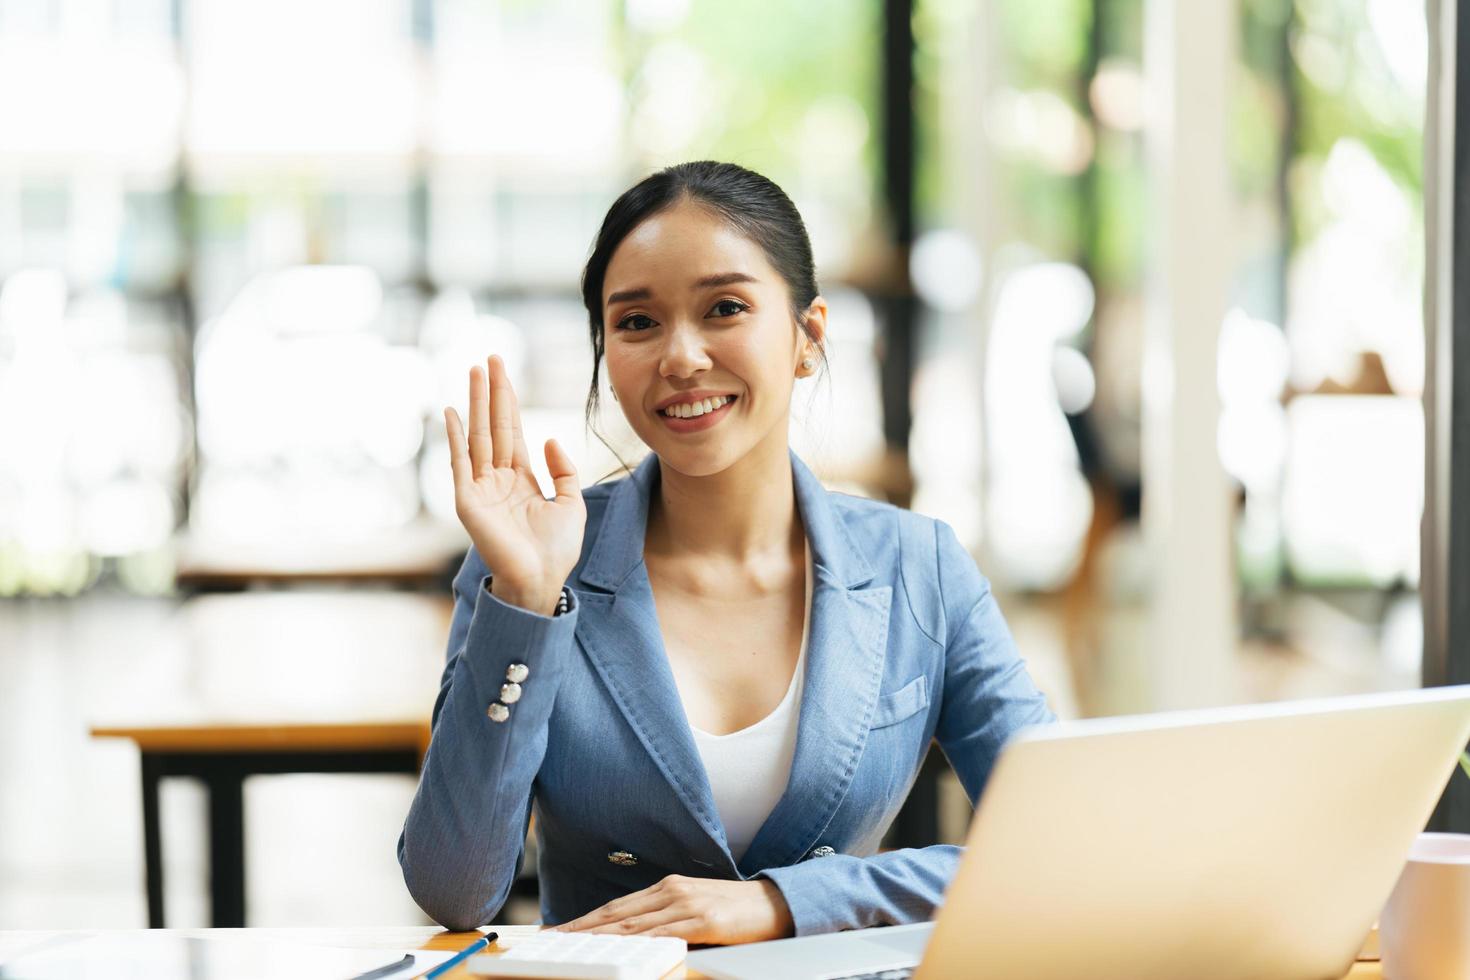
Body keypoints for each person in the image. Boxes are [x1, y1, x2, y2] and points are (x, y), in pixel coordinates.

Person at [397, 161, 1054, 944]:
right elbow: (455, 891)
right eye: (637, 322)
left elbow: (1061, 843)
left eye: (725, 308)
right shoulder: (534, 562)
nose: (680, 357)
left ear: (808, 337)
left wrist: (786, 902)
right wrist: (528, 602)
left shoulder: (921, 566)